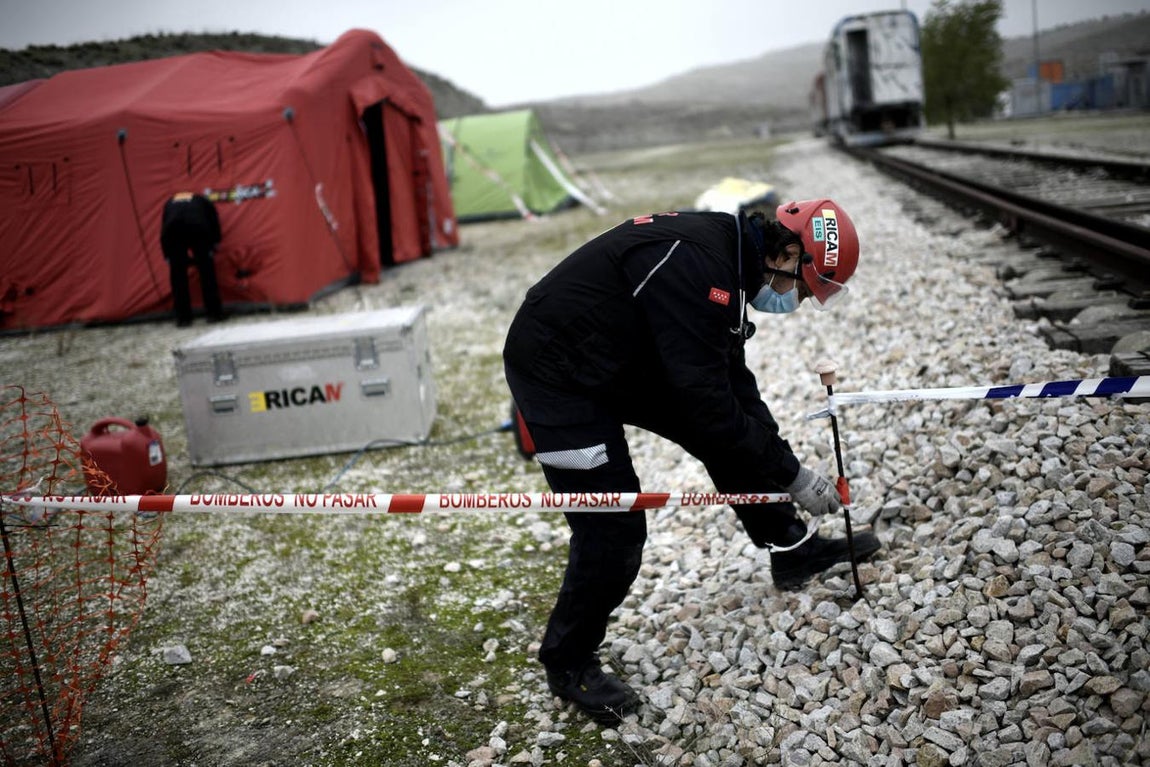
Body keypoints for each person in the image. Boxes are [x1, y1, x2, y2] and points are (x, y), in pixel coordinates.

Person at [502, 199, 881, 725]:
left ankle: (792, 549)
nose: (794, 299)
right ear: (790, 252)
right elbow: (710, 408)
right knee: (613, 525)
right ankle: (566, 662)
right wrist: (793, 476)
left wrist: (787, 468)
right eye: (801, 285)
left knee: (733, 432)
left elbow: (734, 389)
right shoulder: (700, 268)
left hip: (624, 350)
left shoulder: (730, 261)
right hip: (555, 368)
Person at [161, 192, 225, 327]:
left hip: (173, 229)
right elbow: (214, 220)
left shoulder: (170, 202)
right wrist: (214, 244)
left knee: (178, 276)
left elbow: (164, 228)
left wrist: (167, 255)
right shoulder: (202, 201)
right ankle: (214, 314)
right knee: (207, 272)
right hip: (198, 227)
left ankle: (183, 318)